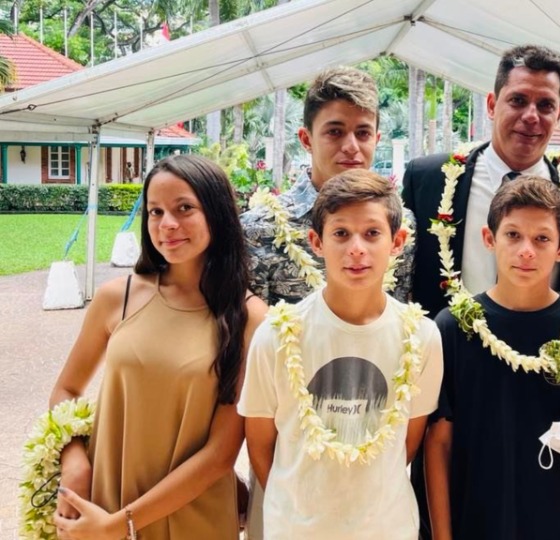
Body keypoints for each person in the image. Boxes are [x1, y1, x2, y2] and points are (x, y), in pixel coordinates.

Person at [49, 155, 267, 539]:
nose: (167, 225)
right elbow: (66, 389)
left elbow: (220, 455)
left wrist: (120, 525)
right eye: (155, 211)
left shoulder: (249, 317)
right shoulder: (118, 297)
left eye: (184, 208)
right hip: (103, 508)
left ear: (216, 214)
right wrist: (75, 464)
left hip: (191, 519)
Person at [239, 169, 443, 539]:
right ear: (316, 242)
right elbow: (260, 444)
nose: (356, 249)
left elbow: (408, 442)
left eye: (372, 234)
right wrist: (301, 509)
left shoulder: (422, 337)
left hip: (387, 528)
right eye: (341, 234)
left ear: (397, 242)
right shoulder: (277, 334)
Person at [424, 176, 560, 540]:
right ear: (489, 238)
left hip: (558, 521)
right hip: (475, 519)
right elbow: (439, 442)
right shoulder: (453, 328)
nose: (526, 250)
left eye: (542, 238)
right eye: (513, 235)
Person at [402, 44, 560, 318]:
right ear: (491, 104)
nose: (531, 116)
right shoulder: (428, 179)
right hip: (448, 352)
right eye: (518, 100)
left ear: (558, 115)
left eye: (545, 105)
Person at [242, 66, 416, 306]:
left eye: (363, 133)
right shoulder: (258, 230)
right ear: (306, 139)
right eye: (335, 132)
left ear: (377, 139)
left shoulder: (400, 224)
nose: (351, 146)